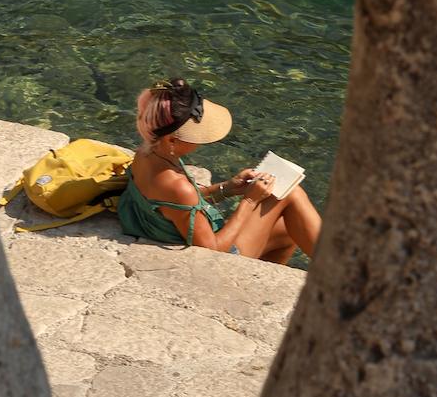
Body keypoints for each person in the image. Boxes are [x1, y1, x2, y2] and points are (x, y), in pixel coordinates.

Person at [117, 77, 322, 265]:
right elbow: (212, 251)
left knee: (289, 230)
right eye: (196, 136)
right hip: (220, 259)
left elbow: (178, 206)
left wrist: (228, 188)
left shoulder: (144, 155)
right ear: (171, 139)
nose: (200, 142)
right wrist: (249, 201)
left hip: (174, 231)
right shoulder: (176, 185)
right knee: (292, 194)